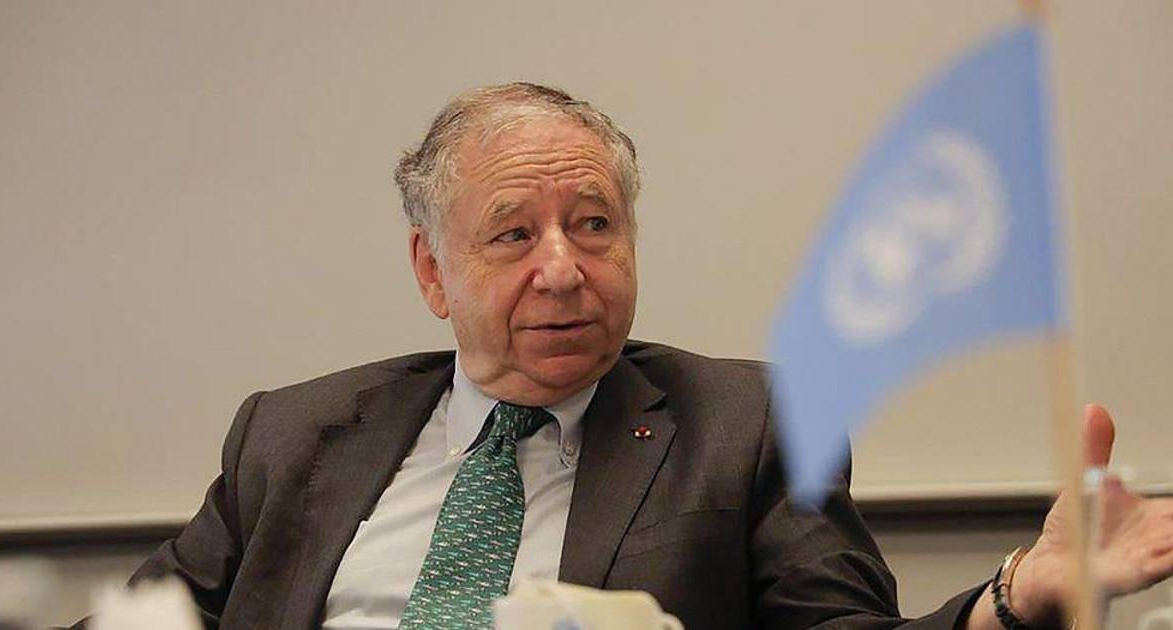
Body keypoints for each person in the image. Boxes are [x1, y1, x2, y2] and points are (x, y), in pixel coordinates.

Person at [71, 83, 1173, 630]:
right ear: (431, 271)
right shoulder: (295, 433)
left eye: (593, 225)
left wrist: (1015, 597)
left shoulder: (743, 425)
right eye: (513, 235)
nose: (562, 269)